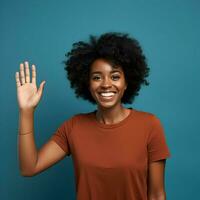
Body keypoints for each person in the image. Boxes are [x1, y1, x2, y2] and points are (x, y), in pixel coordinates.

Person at [16, 32, 171, 200]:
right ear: (87, 83)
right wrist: (26, 111)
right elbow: (29, 167)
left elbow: (156, 195)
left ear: (126, 82)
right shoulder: (74, 127)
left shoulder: (149, 125)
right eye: (97, 77)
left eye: (115, 76)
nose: (106, 84)